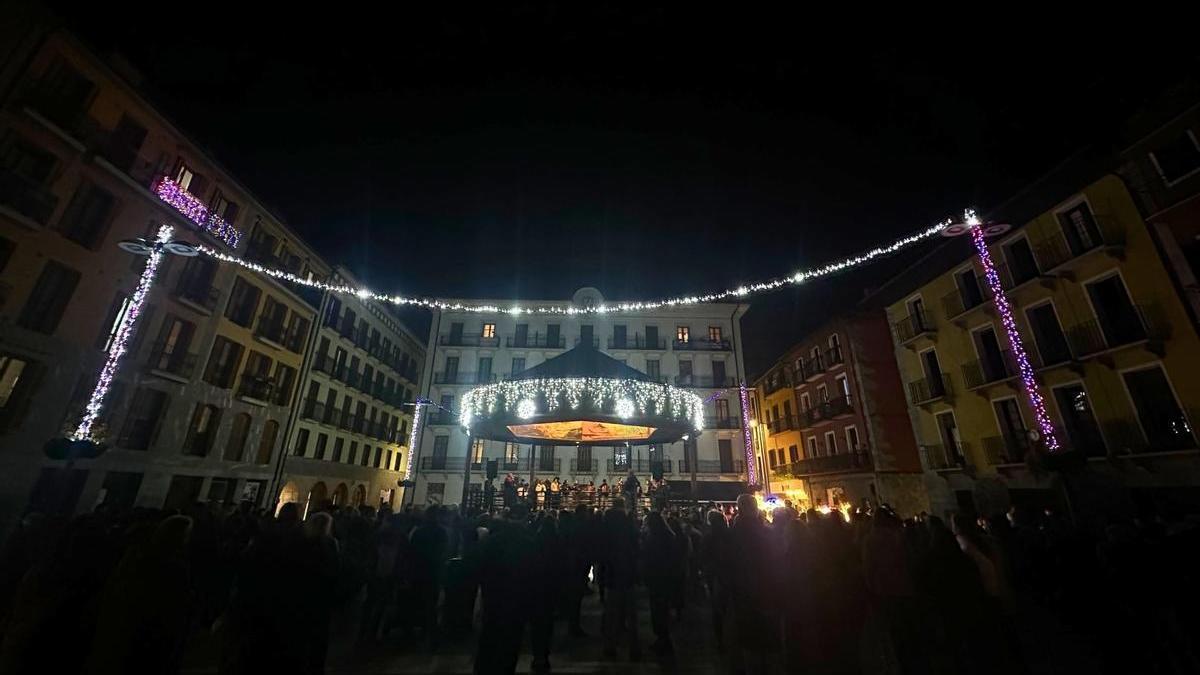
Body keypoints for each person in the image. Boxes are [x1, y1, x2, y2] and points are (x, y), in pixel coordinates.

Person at [641, 512, 679, 656]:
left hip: (657, 578)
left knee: (658, 610)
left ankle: (663, 639)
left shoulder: (654, 538)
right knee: (662, 609)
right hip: (666, 578)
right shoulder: (669, 536)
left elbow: (649, 557)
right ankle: (664, 638)